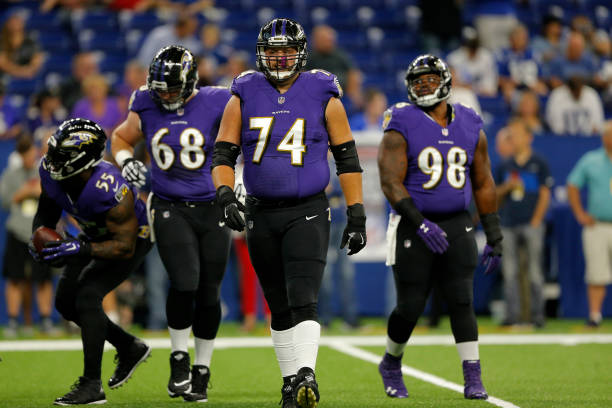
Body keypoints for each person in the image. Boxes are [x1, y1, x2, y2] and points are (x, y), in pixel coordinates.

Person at [211, 18, 367, 408]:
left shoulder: (323, 92)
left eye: (286, 51)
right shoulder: (243, 93)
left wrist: (357, 213)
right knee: (277, 304)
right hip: (261, 211)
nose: (280, 59)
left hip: (308, 209)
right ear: (262, 55)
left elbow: (348, 160)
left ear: (300, 53)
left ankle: (307, 374)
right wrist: (225, 195)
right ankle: (289, 383)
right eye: (273, 52)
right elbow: (223, 153)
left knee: (303, 298)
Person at [377, 54, 502, 401]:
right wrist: (419, 223)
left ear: (445, 82)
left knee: (462, 298)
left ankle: (473, 376)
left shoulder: (470, 122)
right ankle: (391, 361)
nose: (425, 85)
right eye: (418, 81)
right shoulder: (401, 119)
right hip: (413, 223)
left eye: (431, 79)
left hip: (458, 222)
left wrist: (494, 234)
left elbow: (483, 181)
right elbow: (390, 180)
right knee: (411, 305)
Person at [111, 45, 231, 402]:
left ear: (191, 81)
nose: (164, 95)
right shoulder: (145, 101)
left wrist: (235, 179)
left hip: (211, 207)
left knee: (210, 291)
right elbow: (120, 137)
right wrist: (123, 159)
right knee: (185, 281)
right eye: (159, 87)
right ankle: (179, 357)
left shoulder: (216, 101)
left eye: (171, 88)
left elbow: (243, 136)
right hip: (169, 204)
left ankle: (202, 369)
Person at [29, 118, 152, 405]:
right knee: (65, 303)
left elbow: (124, 246)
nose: (50, 160)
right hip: (91, 237)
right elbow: (45, 212)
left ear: (82, 161)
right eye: (52, 151)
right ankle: (128, 346)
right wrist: (38, 239)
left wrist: (79, 249)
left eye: (60, 156)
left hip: (133, 240)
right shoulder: (52, 172)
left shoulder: (109, 189)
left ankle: (91, 385)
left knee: (87, 297)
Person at [495, 118, 553, 327]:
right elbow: (494, 195)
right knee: (509, 271)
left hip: (531, 222)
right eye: (512, 135)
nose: (514, 139)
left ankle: (537, 315)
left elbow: (545, 194)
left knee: (535, 271)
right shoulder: (505, 165)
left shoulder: (539, 162)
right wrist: (506, 188)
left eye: (517, 135)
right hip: (509, 222)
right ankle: (512, 315)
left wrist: (537, 220)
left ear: (529, 138)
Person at [1, 135, 55, 337]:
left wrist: (38, 190)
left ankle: (46, 319)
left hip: (39, 231)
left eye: (31, 152)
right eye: (26, 153)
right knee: (15, 277)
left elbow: (52, 195)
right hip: (17, 229)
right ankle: (14, 320)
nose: (29, 156)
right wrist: (23, 192)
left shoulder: (43, 173)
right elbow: (6, 201)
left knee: (43, 278)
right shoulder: (10, 175)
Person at [567, 120, 612, 327]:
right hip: (598, 225)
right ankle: (595, 315)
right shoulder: (591, 160)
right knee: (596, 272)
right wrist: (580, 213)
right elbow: (573, 184)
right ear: (603, 137)